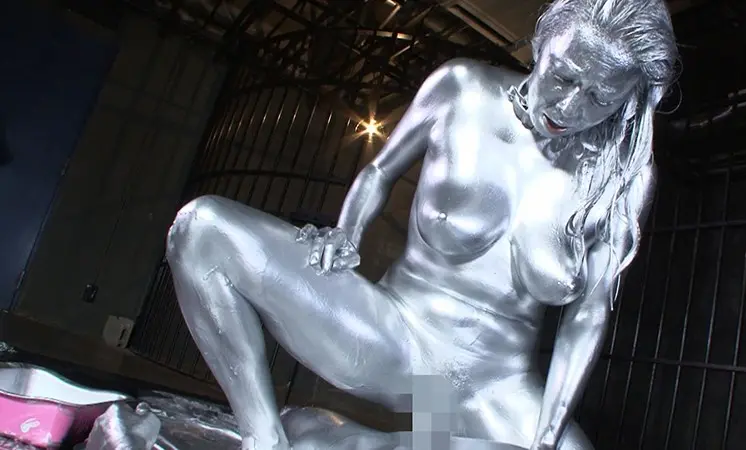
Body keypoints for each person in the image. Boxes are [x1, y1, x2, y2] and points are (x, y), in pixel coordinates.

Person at [165, 0, 678, 448]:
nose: (570, 107)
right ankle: (266, 437)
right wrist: (347, 232)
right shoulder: (462, 89)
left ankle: (340, 440)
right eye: (563, 76)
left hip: (492, 390)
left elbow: (587, 317)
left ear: (626, 100)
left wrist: (544, 439)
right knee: (202, 229)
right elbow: (378, 171)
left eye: (600, 98)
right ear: (542, 41)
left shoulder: (622, 175)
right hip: (396, 340)